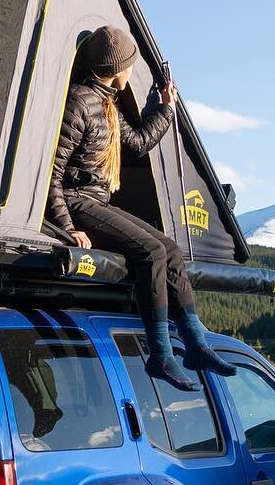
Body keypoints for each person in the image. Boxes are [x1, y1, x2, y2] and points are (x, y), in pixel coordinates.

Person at [47, 25, 235, 390]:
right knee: (150, 251)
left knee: (169, 249)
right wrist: (67, 226)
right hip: (76, 202)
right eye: (131, 66)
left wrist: (165, 108)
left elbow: (135, 145)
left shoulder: (105, 104)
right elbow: (52, 171)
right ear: (118, 69)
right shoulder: (79, 102)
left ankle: (196, 344)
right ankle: (161, 355)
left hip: (95, 200)